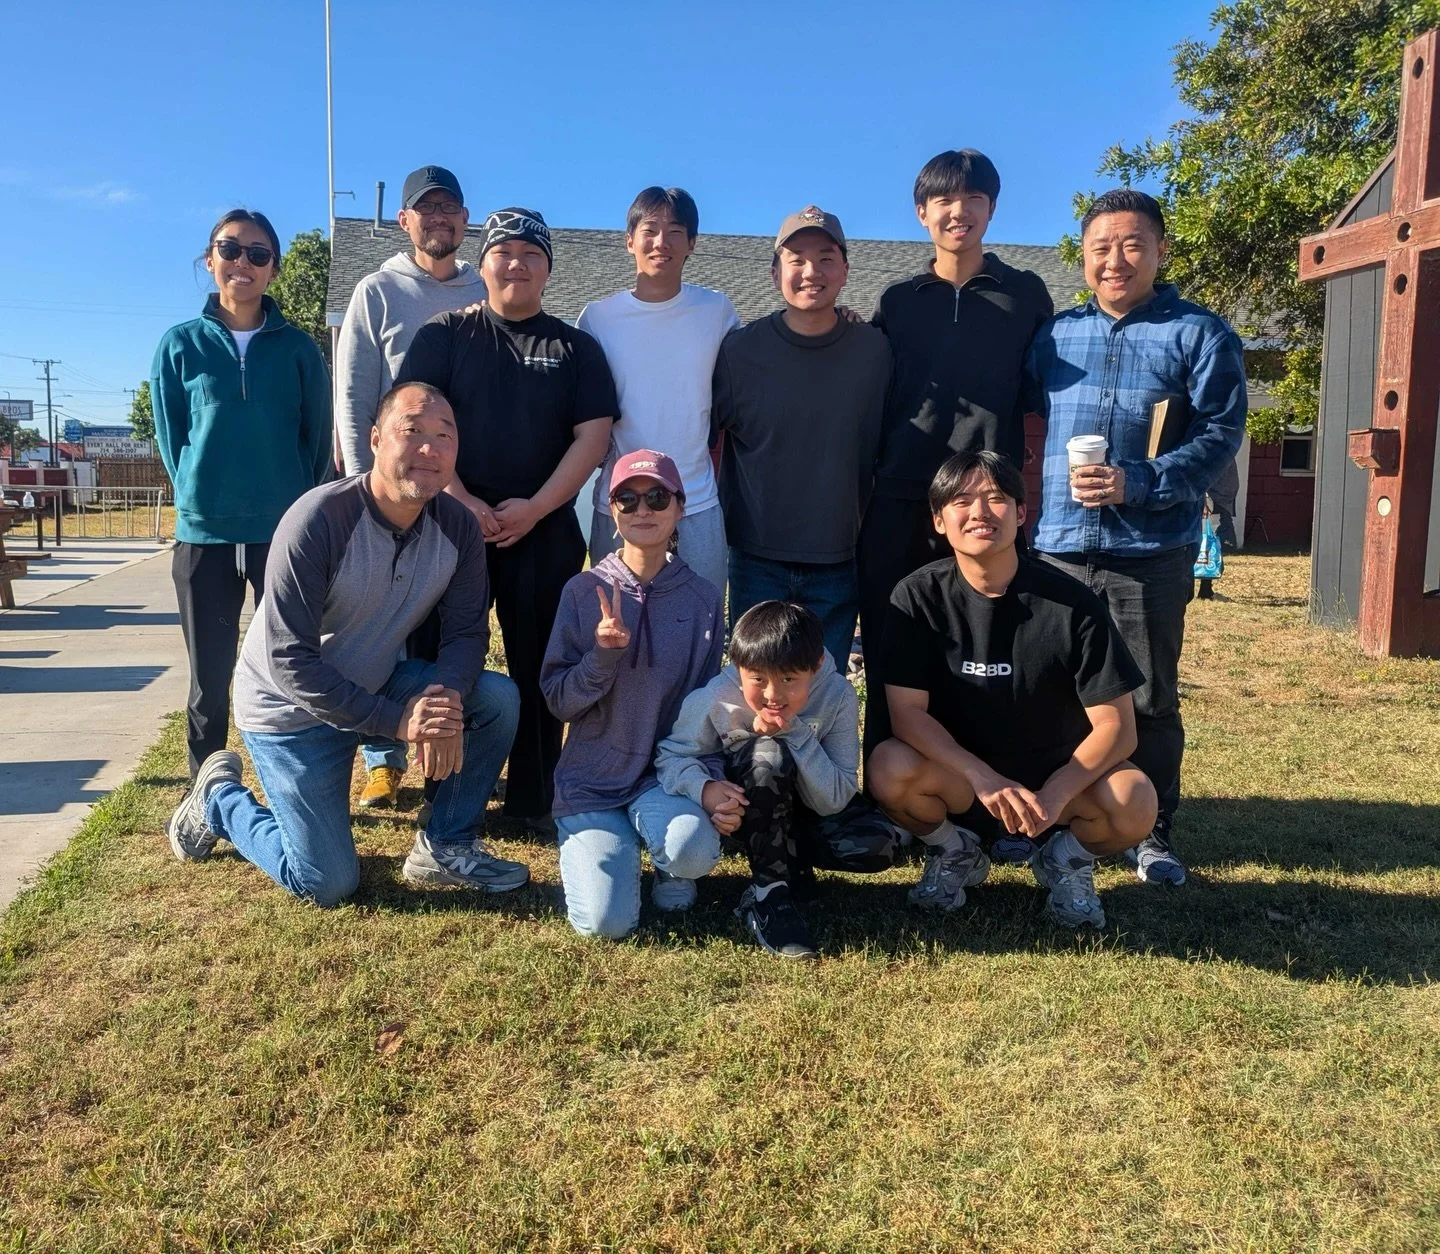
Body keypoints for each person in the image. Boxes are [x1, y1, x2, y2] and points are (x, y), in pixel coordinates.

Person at [164, 382, 526, 905]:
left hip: (375, 683)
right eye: (412, 431)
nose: (429, 448)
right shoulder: (318, 520)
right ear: (375, 439)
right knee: (327, 882)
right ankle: (220, 801)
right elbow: (290, 661)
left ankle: (445, 846)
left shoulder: (458, 530)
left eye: (444, 435)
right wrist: (399, 723)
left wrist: (443, 700)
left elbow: (468, 632)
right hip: (288, 712)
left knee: (494, 700)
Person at [1028, 188, 1247, 886]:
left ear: (1159, 251)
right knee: (1055, 693)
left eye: (1131, 245)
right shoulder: (1055, 336)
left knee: (1147, 694)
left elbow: (1221, 433)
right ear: (1084, 257)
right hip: (1059, 544)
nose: (1115, 260)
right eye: (1101, 247)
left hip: (1149, 550)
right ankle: (1055, 818)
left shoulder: (1199, 334)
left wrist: (1142, 480)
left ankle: (1151, 831)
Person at [867, 451, 1158, 929]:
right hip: (964, 782)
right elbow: (907, 715)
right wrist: (983, 778)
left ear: (1021, 514)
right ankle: (955, 852)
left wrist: (1058, 791)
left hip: (1056, 784)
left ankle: (1066, 860)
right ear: (939, 521)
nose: (980, 512)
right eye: (961, 501)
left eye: (997, 499)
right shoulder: (916, 597)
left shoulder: (1072, 602)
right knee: (889, 767)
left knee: (1134, 799)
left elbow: (1118, 728)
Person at [397, 208, 617, 830]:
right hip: (449, 525)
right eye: (504, 251)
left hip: (543, 529)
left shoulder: (576, 348)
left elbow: (593, 436)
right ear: (483, 261)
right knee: (444, 660)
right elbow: (417, 427)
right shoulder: (444, 335)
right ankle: (446, 790)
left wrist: (539, 507)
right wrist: (463, 500)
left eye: (531, 253)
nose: (516, 263)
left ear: (548, 268)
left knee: (540, 664)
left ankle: (533, 797)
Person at [857, 149, 1055, 764]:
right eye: (943, 199)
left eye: (972, 198)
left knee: (986, 640)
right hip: (900, 491)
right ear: (922, 213)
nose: (957, 211)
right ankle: (887, 784)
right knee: (893, 636)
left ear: (991, 209)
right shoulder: (898, 301)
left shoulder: (1024, 295)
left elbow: (1043, 390)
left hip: (985, 498)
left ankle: (987, 783)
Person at [152, 209, 333, 779]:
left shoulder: (300, 350)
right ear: (210, 261)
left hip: (281, 536)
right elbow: (171, 434)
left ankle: (300, 780)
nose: (243, 263)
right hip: (204, 536)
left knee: (293, 663)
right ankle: (206, 791)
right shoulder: (179, 346)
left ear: (273, 270)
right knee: (209, 677)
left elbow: (317, 439)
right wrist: (199, 498)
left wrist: (297, 512)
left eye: (258, 254)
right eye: (230, 250)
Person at [333, 165, 486, 811]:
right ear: (406, 221)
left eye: (451, 208)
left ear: (464, 220)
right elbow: (353, 393)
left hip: (467, 492)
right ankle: (381, 760)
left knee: (449, 628)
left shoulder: (486, 289)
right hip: (392, 490)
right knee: (382, 624)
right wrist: (354, 486)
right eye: (427, 210)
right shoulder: (377, 290)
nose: (440, 219)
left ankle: (442, 752)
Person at [541, 450, 726, 939]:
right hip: (592, 781)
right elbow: (559, 700)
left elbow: (707, 706)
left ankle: (669, 860)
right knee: (605, 924)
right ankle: (602, 845)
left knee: (693, 850)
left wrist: (706, 779)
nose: (643, 510)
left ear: (680, 508)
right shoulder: (583, 592)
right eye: (627, 498)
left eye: (657, 497)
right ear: (612, 512)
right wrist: (602, 656)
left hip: (663, 778)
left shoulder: (705, 598)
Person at [656, 601, 897, 960]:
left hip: (812, 807)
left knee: (878, 845)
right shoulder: (714, 698)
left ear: (815, 667)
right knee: (766, 755)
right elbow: (671, 757)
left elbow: (836, 797)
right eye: (757, 679)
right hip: (746, 812)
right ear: (739, 669)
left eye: (788, 679)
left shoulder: (839, 695)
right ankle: (768, 895)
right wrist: (705, 789)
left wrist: (795, 733)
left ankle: (788, 861)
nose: (772, 695)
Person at [711, 207, 889, 670]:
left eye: (826, 258)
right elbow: (699, 435)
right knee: (754, 697)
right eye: (796, 260)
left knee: (821, 696)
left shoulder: (875, 351)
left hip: (840, 556)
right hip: (755, 555)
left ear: (846, 271)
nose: (812, 272)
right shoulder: (738, 351)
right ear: (775, 274)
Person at [577, 187, 739, 593]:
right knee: (614, 626)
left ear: (693, 244)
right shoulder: (597, 318)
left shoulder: (717, 311)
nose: (661, 242)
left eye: (675, 231)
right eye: (649, 230)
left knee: (701, 630)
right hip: (620, 501)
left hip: (696, 501)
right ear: (629, 240)